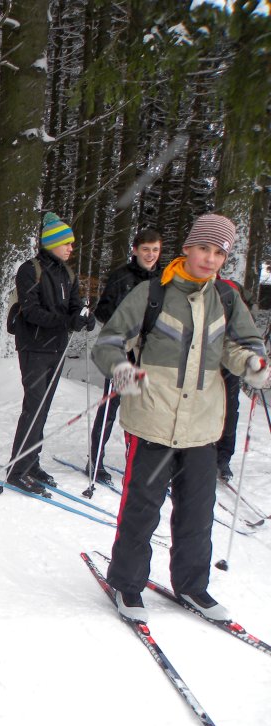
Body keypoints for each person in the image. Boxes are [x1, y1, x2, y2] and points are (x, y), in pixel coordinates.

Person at [92, 213, 271, 623]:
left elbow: (241, 347)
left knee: (197, 514)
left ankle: (192, 585)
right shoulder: (152, 293)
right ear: (187, 248)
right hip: (153, 421)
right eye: (204, 248)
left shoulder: (227, 299)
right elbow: (109, 343)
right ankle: (127, 583)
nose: (210, 258)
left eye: (219, 253)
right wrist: (122, 370)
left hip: (202, 427)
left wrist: (252, 364)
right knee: (142, 510)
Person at [6, 211, 94, 494]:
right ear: (52, 243)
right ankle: (17, 470)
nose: (70, 248)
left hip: (57, 347)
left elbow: (75, 306)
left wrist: (84, 317)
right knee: (33, 408)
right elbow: (31, 311)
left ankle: (32, 463)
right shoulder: (30, 270)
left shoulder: (67, 273)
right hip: (33, 347)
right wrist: (67, 321)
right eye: (66, 243)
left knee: (42, 408)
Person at [88, 229, 162, 484]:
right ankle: (95, 461)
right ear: (135, 250)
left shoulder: (164, 279)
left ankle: (140, 462)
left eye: (155, 250)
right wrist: (124, 327)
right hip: (123, 353)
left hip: (151, 355)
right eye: (146, 250)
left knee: (148, 409)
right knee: (111, 406)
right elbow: (103, 311)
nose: (150, 255)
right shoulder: (122, 277)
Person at [213, 276, 252, 482]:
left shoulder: (231, 292)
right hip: (205, 361)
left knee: (229, 410)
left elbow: (245, 329)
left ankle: (223, 458)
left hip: (230, 362)